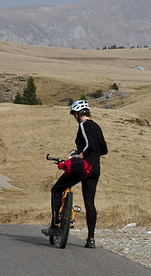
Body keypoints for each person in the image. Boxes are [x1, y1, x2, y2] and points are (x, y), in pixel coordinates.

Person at [42, 99, 108, 248]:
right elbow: (104, 150)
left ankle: (54, 226)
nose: (75, 118)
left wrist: (78, 156)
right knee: (90, 203)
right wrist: (88, 155)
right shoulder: (97, 127)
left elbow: (89, 145)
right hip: (95, 170)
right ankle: (91, 239)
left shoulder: (84, 125)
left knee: (57, 189)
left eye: (74, 115)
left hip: (82, 168)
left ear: (78, 114)